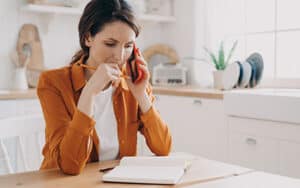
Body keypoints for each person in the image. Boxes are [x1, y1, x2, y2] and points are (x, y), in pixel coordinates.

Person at [37, 0, 172, 175]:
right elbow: (70, 165)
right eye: (110, 44)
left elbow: (163, 148)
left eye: (128, 46)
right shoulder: (53, 82)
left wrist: (141, 95)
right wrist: (90, 92)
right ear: (88, 38)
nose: (120, 55)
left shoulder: (134, 82)